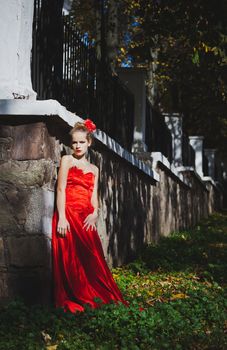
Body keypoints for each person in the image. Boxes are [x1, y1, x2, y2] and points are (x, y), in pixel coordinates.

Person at [52, 118, 128, 313]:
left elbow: (95, 197)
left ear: (89, 142)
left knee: (92, 259)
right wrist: (61, 216)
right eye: (74, 142)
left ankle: (94, 294)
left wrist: (95, 213)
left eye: (81, 142)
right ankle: (76, 294)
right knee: (71, 259)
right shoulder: (66, 160)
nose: (77, 146)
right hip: (68, 216)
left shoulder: (94, 169)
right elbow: (60, 190)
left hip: (86, 220)